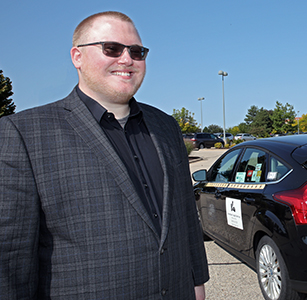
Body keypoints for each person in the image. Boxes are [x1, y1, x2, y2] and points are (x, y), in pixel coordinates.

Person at [0, 11, 209, 299]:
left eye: (137, 52)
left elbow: (186, 215)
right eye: (111, 48)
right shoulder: (23, 133)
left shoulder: (166, 126)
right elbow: (11, 257)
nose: (126, 59)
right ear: (77, 57)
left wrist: (198, 283)